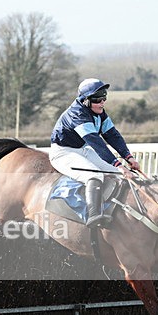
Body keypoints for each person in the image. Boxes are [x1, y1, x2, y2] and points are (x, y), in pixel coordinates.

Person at [50, 78, 141, 228]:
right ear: (85, 100)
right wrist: (118, 164)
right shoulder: (77, 114)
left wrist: (128, 157)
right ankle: (93, 215)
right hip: (63, 153)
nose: (102, 102)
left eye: (104, 98)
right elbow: (96, 142)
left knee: (118, 175)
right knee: (95, 175)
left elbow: (112, 135)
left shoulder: (99, 113)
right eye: (97, 99)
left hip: (83, 150)